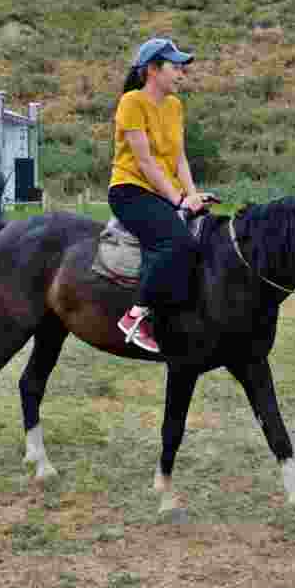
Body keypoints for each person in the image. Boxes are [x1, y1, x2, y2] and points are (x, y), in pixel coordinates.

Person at [109, 37, 209, 353]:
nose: (182, 75)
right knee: (174, 242)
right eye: (175, 68)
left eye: (183, 69)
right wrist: (178, 200)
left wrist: (193, 196)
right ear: (153, 69)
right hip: (131, 190)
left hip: (163, 192)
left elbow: (179, 158)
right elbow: (145, 162)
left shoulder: (175, 106)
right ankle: (134, 316)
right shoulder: (132, 103)